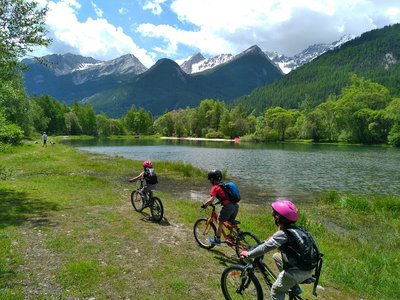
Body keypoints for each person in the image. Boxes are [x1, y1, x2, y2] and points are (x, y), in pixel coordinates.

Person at [240, 199, 314, 300]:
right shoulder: (297, 229)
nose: (272, 216)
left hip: (297, 272)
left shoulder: (283, 234)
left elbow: (265, 248)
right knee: (276, 256)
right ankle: (293, 286)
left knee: (276, 290)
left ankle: (290, 283)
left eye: (273, 214)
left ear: (278, 217)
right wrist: (273, 238)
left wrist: (248, 254)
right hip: (308, 268)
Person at [201, 169, 239, 245]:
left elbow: (211, 200)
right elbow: (225, 197)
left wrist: (205, 205)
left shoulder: (215, 187)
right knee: (230, 221)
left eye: (210, 180)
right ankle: (239, 233)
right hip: (235, 205)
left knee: (219, 221)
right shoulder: (223, 185)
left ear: (212, 179)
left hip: (228, 207)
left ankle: (217, 239)